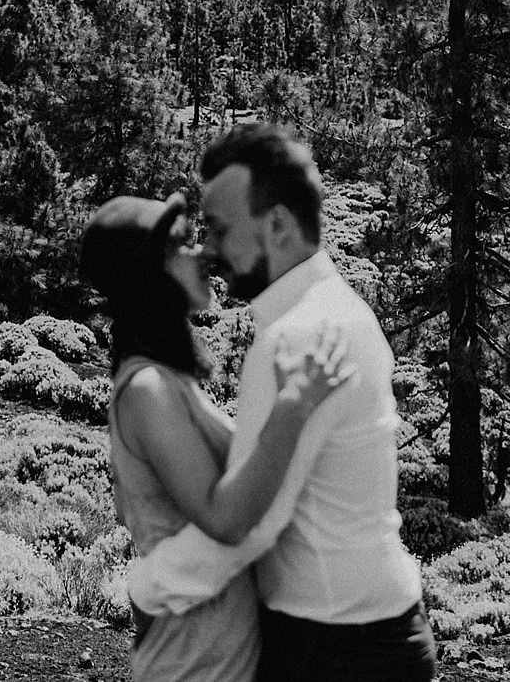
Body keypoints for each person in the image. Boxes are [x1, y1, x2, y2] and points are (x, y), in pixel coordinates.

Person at [123, 123, 434, 681]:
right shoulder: (339, 309)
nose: (210, 249)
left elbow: (254, 522)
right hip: (371, 633)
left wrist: (150, 583)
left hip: (334, 649)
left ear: (279, 225)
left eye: (220, 229)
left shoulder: (294, 338)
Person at [82, 193, 351, 681]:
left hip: (221, 655)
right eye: (182, 245)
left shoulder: (172, 382)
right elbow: (224, 519)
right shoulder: (147, 389)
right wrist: (293, 406)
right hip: (191, 662)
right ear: (148, 275)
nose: (203, 253)